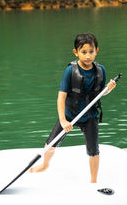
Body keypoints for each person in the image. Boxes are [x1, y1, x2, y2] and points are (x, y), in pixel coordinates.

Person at [30, 33, 116, 183]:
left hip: (89, 116)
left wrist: (109, 89)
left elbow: (101, 93)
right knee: (51, 144)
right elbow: (61, 97)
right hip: (70, 114)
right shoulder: (70, 71)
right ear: (76, 52)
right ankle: (44, 164)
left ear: (97, 51)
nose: (88, 56)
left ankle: (93, 180)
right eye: (84, 52)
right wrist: (63, 120)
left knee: (94, 150)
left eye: (91, 51)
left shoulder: (101, 70)